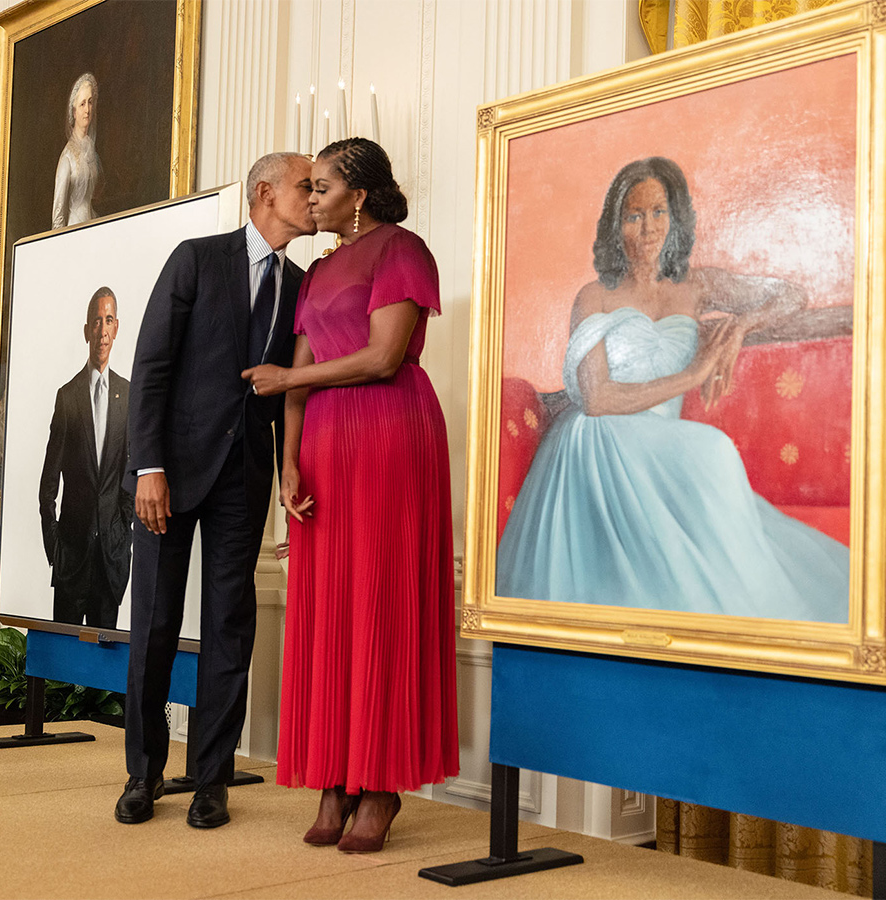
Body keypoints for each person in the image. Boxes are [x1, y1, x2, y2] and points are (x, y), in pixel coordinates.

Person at [496, 156, 849, 621]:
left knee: (711, 453)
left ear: (676, 216)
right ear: (615, 225)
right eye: (634, 215)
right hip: (597, 439)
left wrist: (743, 324)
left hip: (659, 439)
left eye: (658, 212)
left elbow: (790, 296)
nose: (647, 229)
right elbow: (598, 399)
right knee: (713, 449)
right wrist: (693, 376)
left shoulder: (696, 286)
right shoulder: (594, 296)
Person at [243, 138, 460, 853]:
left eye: (323, 186)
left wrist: (285, 381)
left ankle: (383, 784)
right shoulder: (319, 270)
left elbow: (382, 356)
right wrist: (291, 467)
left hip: (390, 434)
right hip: (328, 447)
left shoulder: (403, 249)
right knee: (328, 605)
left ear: (359, 194)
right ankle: (336, 776)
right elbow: (299, 369)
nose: (312, 198)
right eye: (309, 188)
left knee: (382, 599)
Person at [116, 151, 316, 829]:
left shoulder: (303, 284)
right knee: (156, 625)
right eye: (304, 186)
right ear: (265, 193)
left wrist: (292, 464)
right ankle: (142, 773)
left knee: (231, 625)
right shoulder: (196, 259)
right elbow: (151, 367)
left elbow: (297, 388)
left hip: (244, 476)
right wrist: (148, 466)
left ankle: (212, 779)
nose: (314, 197)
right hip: (168, 474)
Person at [38, 286, 132, 627]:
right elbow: (48, 486)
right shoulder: (67, 396)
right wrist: (55, 548)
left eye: (108, 320)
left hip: (112, 559)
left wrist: (124, 533)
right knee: (63, 664)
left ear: (116, 327)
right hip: (71, 559)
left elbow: (130, 473)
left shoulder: (128, 394)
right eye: (96, 321)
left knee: (101, 670)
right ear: (86, 331)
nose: (102, 330)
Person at [52, 72, 102, 229]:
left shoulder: (91, 149)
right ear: (74, 112)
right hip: (73, 231)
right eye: (82, 104)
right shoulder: (67, 157)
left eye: (90, 102)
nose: (87, 109)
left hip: (91, 227)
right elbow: (58, 213)